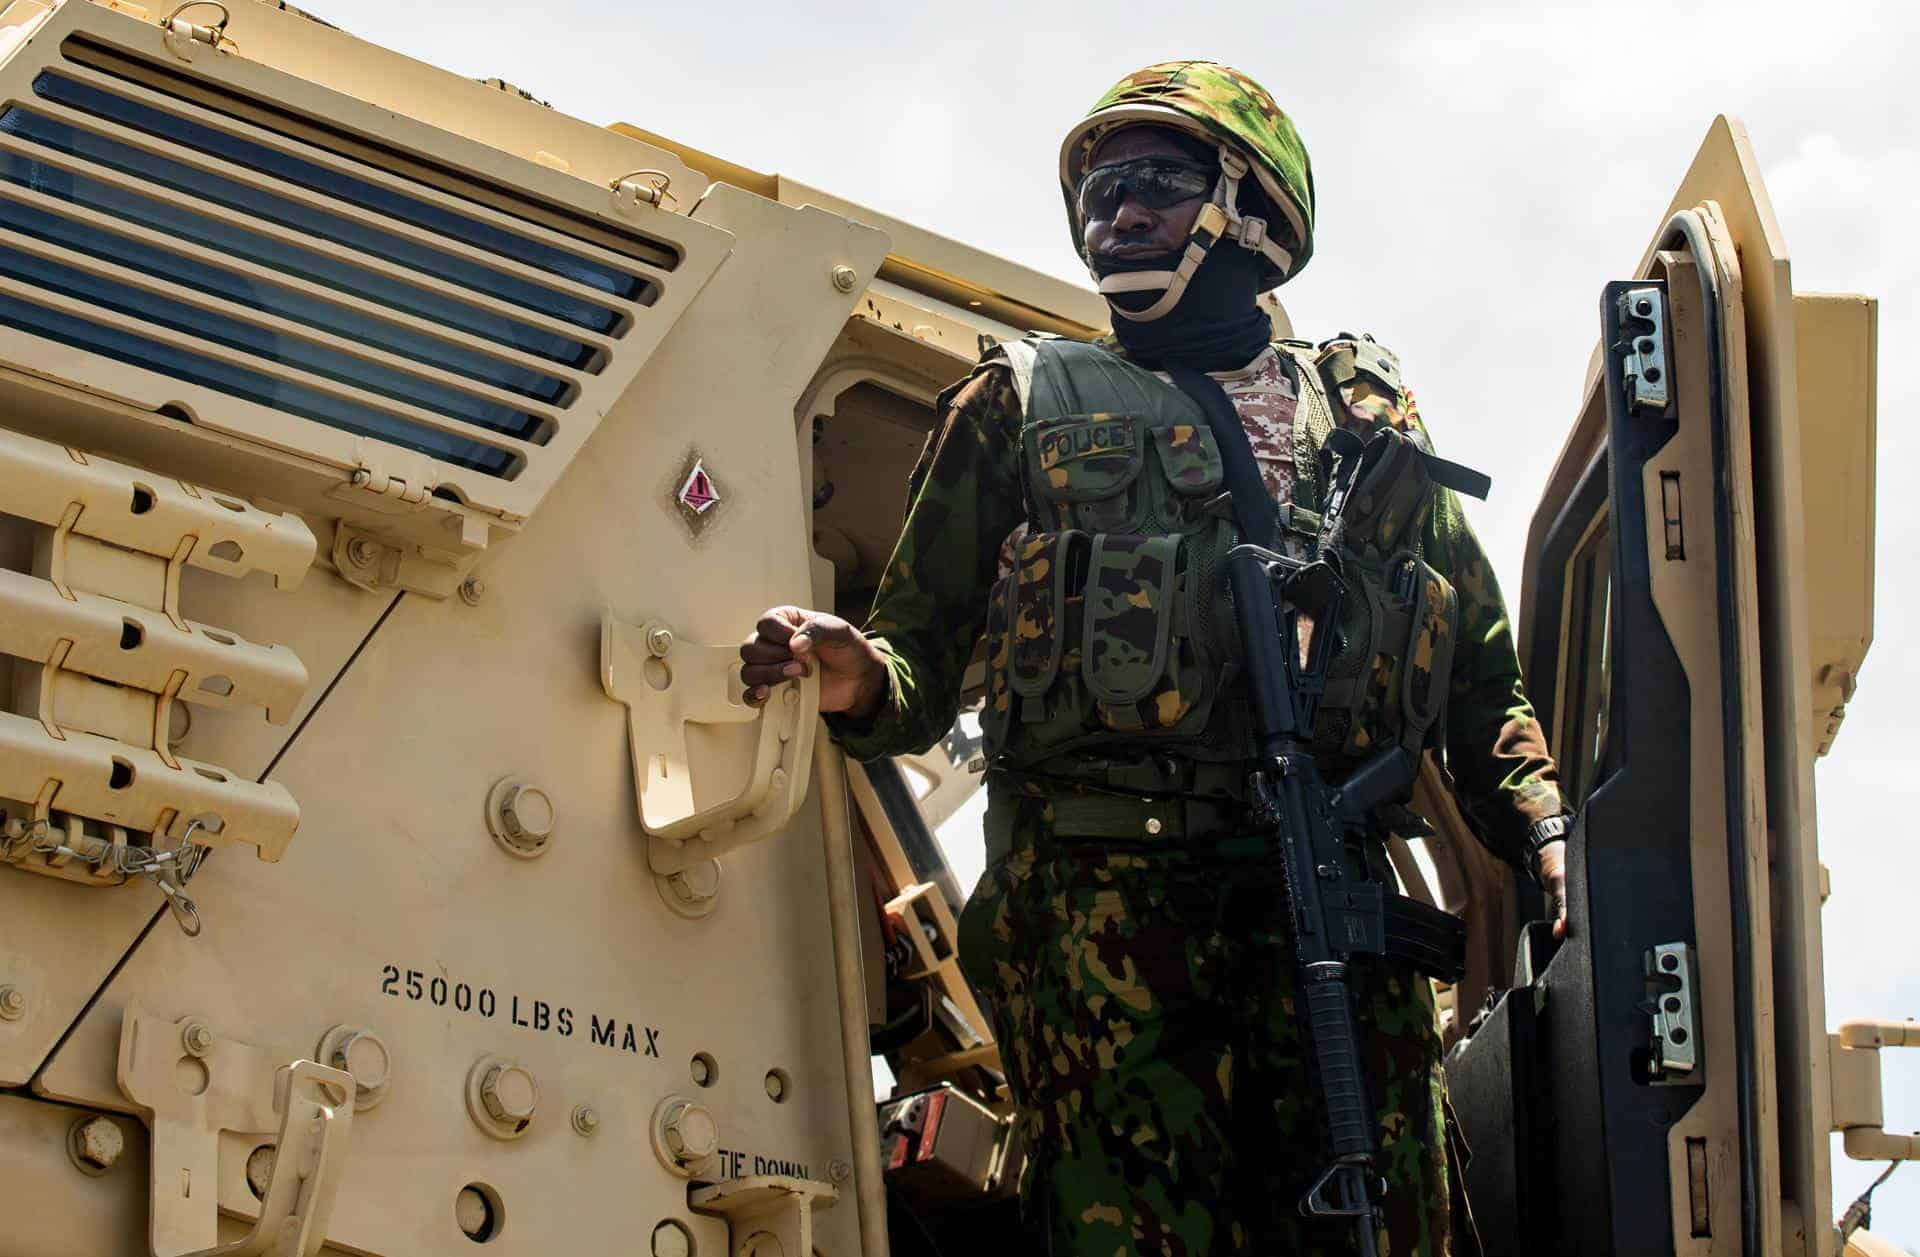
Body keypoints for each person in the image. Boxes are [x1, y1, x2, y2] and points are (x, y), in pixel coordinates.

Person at [742, 61, 1573, 1257]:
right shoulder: (1016, 404)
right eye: (1101, 194)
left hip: (1332, 903)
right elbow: (917, 667)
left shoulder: (1370, 424)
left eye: (1157, 186)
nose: (1117, 215)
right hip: (1105, 935)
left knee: (1386, 1215)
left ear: (1255, 210)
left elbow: (1480, 677)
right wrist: (853, 675)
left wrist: (1542, 829)